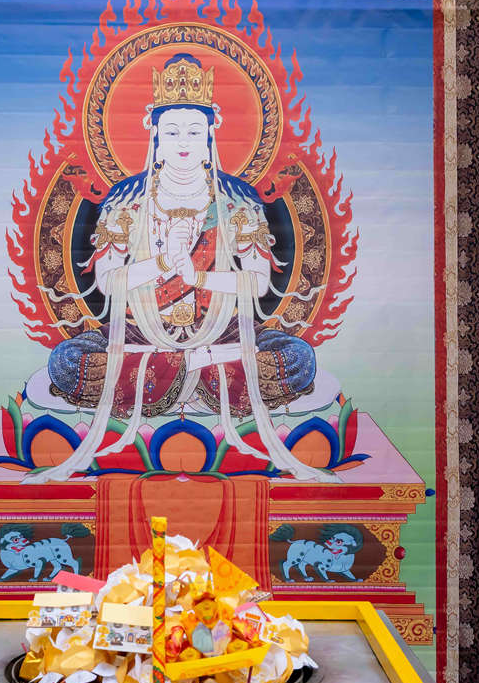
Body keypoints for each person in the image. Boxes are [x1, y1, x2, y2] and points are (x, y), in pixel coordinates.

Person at [27, 53, 337, 484]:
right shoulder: (127, 200)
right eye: (172, 131)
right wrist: (159, 263)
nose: (183, 141)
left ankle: (189, 364)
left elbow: (258, 283)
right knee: (65, 361)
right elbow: (109, 283)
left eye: (194, 130)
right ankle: (195, 366)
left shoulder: (237, 200)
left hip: (223, 333)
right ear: (154, 133)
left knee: (299, 358)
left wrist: (198, 278)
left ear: (212, 133)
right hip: (139, 334)